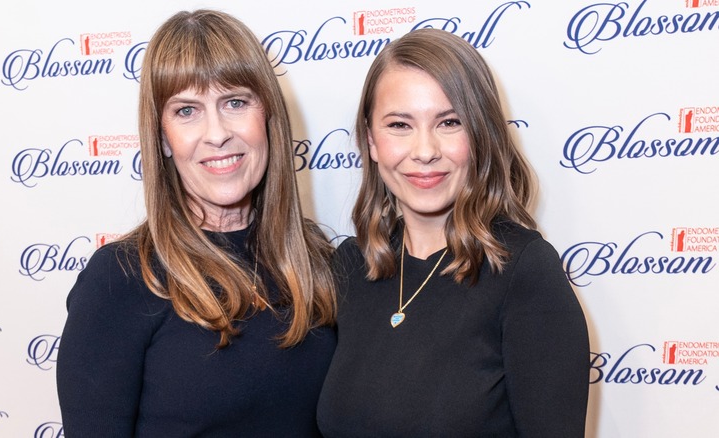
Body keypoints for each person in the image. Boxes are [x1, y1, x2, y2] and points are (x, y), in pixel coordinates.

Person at [57, 10, 336, 437]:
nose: (217, 133)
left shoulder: (322, 263)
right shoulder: (121, 280)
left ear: (268, 118)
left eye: (236, 102)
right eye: (187, 111)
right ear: (163, 137)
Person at [317, 29, 589, 437]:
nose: (425, 150)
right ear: (371, 141)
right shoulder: (351, 265)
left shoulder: (524, 271)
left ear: (480, 136)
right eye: (399, 125)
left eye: (449, 122)